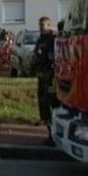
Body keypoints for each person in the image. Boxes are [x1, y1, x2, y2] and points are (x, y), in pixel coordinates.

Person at [32, 16, 58, 146]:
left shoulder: (52, 39)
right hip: (41, 75)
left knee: (51, 103)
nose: (41, 27)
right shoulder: (40, 39)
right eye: (40, 25)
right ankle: (48, 129)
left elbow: (53, 58)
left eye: (44, 25)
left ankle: (53, 135)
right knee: (43, 102)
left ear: (49, 25)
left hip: (50, 76)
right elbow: (37, 54)